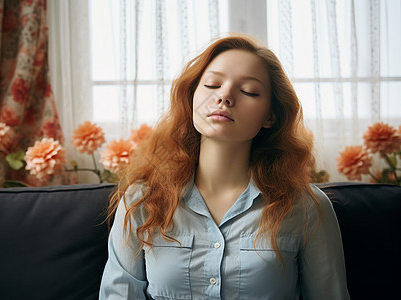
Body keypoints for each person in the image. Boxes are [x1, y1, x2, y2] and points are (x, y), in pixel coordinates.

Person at [99, 34, 350, 299]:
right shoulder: (142, 200)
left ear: (270, 116)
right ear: (192, 95)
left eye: (249, 91)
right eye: (211, 84)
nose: (225, 96)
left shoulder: (307, 208)